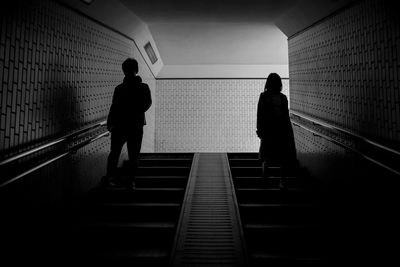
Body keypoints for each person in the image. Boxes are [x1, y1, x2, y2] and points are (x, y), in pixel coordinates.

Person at [103, 58, 152, 189]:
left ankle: (112, 178)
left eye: (128, 70)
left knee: (116, 153)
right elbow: (147, 104)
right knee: (132, 155)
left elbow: (114, 107)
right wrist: (134, 110)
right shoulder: (143, 87)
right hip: (135, 125)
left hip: (121, 125)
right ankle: (130, 181)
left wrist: (110, 122)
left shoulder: (120, 88)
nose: (127, 72)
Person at [256, 73, 297, 190]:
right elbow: (260, 113)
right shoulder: (265, 96)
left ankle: (276, 181)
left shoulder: (281, 98)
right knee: (269, 155)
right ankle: (273, 180)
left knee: (279, 156)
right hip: (272, 130)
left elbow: (261, 114)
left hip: (279, 129)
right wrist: (260, 129)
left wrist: (260, 129)